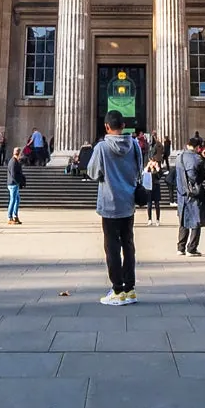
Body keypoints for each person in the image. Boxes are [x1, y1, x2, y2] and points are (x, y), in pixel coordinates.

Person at [87, 109, 143, 305]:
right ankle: (130, 289)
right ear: (123, 126)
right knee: (128, 245)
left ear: (107, 127)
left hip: (110, 203)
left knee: (112, 247)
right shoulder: (134, 144)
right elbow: (139, 170)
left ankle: (117, 289)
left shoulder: (101, 147)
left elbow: (93, 173)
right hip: (128, 202)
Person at [175, 142, 205, 255]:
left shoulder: (178, 157)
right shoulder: (197, 158)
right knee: (196, 220)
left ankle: (180, 247)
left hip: (181, 193)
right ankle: (192, 248)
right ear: (197, 147)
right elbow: (200, 177)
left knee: (183, 220)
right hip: (194, 193)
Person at [142, 153, 165, 226]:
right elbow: (143, 174)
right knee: (149, 204)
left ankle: (157, 220)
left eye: (153, 161)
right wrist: (148, 166)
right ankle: (149, 219)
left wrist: (157, 168)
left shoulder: (157, 169)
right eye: (151, 161)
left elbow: (159, 176)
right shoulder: (147, 169)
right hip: (148, 188)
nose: (152, 163)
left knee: (157, 204)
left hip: (156, 187)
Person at [7, 147, 27, 223]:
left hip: (14, 183)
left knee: (17, 200)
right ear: (19, 153)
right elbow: (13, 175)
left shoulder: (15, 161)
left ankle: (15, 216)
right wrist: (19, 182)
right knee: (13, 200)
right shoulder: (13, 162)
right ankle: (10, 217)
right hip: (13, 184)